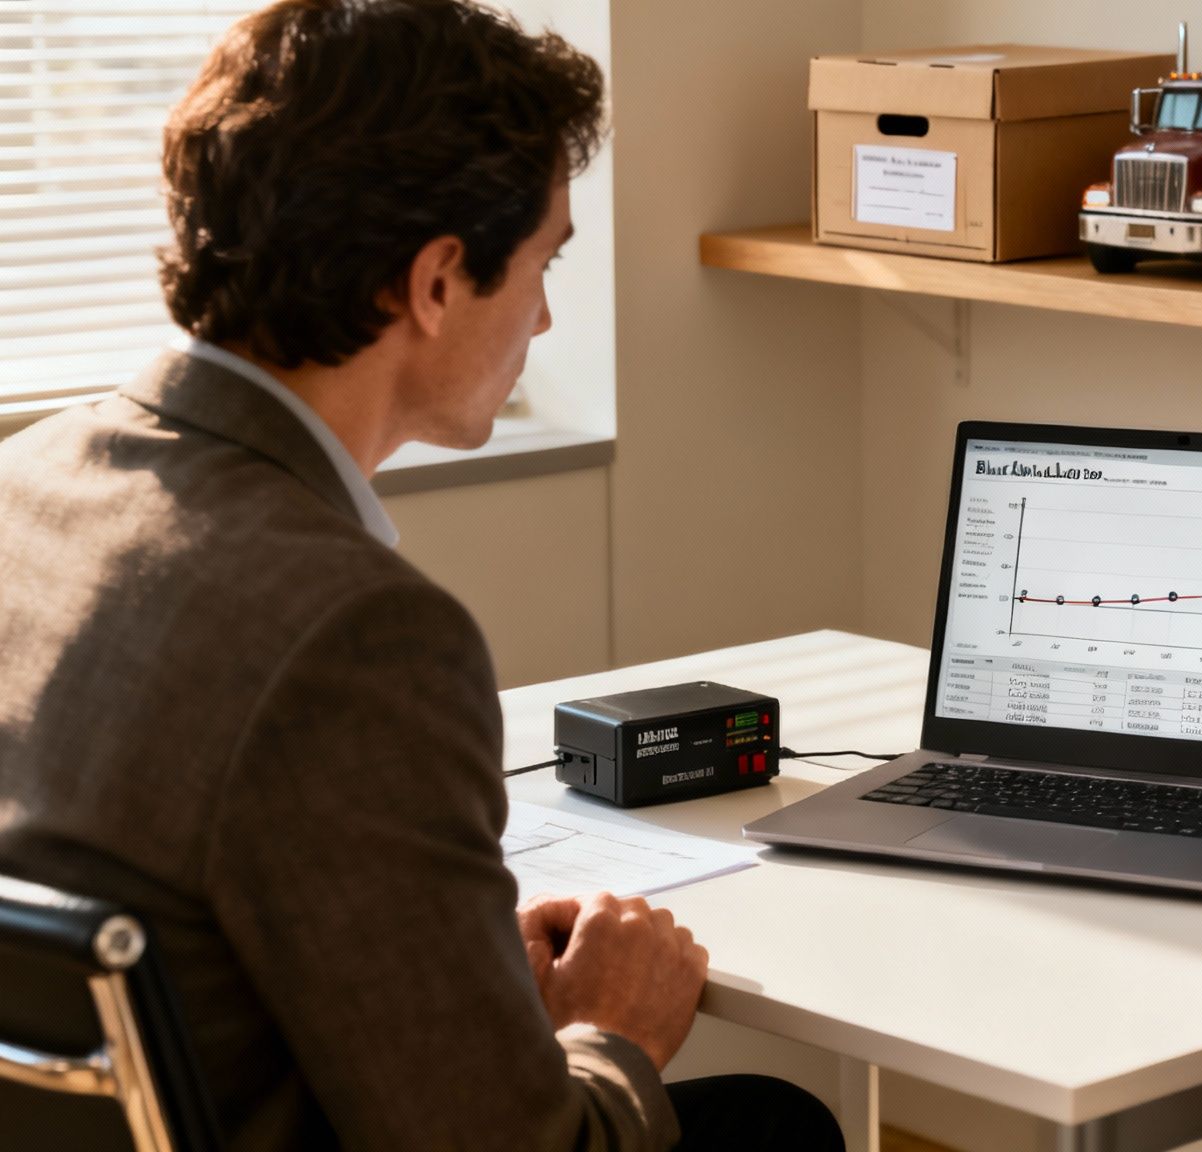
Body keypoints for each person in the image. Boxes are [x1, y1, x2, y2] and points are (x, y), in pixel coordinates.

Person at [0, 2, 841, 1148]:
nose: (545, 316)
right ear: (437, 282)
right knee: (773, 1125)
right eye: (543, 263)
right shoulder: (354, 634)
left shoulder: (29, 481)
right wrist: (614, 1030)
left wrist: (453, 972)